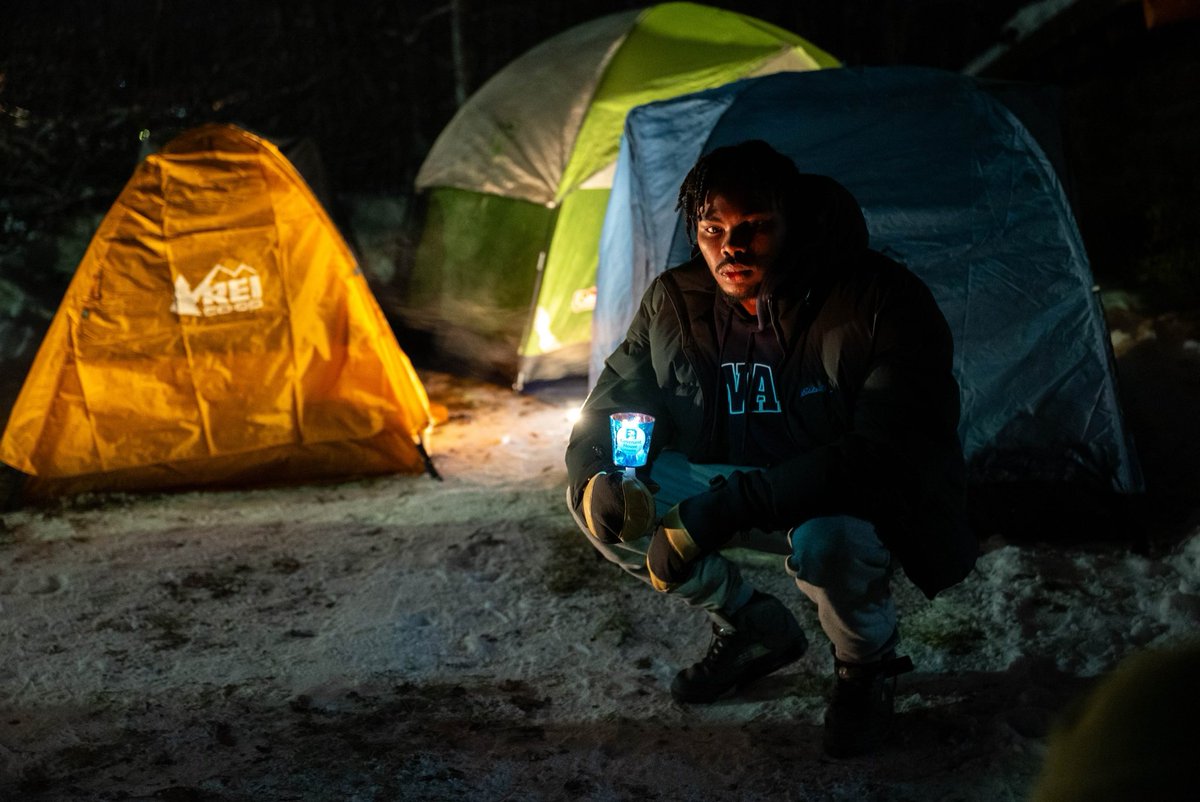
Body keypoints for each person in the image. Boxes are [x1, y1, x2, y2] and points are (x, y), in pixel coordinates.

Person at [565, 140, 977, 758]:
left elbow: (879, 455)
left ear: (795, 222)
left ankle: (865, 666)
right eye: (712, 229)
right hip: (729, 479)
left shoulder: (876, 302)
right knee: (612, 498)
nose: (731, 247)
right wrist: (599, 470)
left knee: (831, 543)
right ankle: (749, 624)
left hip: (839, 493)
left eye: (754, 227)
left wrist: (720, 510)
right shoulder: (675, 301)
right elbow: (618, 400)